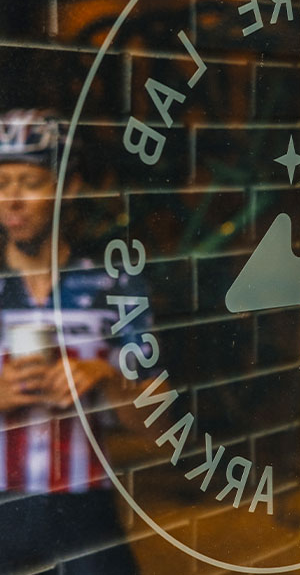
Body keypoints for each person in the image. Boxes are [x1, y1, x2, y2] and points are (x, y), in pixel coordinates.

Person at [0, 109, 152, 573]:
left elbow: (157, 423)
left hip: (86, 509)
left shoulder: (114, 282)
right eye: (2, 183)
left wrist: (106, 379)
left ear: (68, 188)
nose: (13, 200)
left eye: (29, 181)